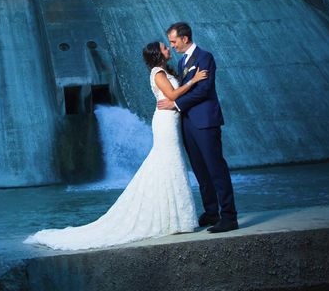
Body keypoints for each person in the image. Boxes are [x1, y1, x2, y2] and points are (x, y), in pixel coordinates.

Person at [24, 41, 207, 250]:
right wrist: (193, 81)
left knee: (169, 164)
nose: (168, 49)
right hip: (165, 122)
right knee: (168, 162)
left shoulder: (165, 71)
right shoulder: (158, 72)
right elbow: (172, 96)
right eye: (165, 47)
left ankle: (174, 218)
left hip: (171, 120)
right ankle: (172, 219)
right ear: (158, 54)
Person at [157, 22, 238, 233]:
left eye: (174, 41)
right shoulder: (183, 61)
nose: (172, 46)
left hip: (205, 122)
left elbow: (204, 90)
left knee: (216, 168)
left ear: (185, 38)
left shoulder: (205, 57)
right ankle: (211, 212)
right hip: (188, 124)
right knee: (201, 171)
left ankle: (229, 216)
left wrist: (175, 104)